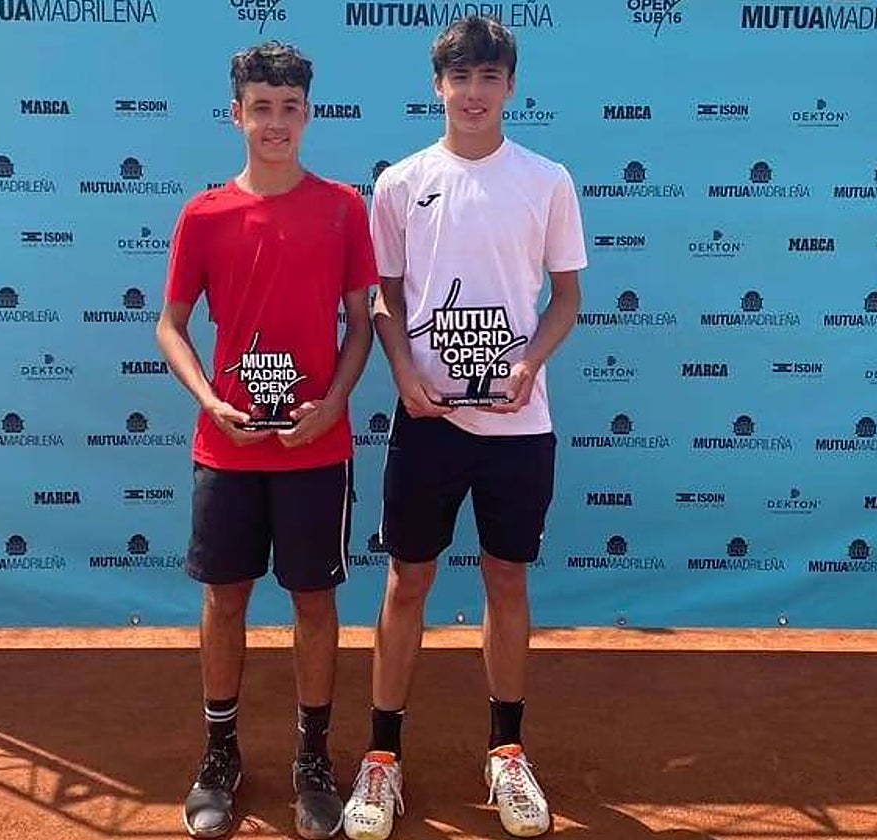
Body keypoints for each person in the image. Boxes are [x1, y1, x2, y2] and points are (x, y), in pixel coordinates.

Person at [341, 16, 586, 840]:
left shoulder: (547, 179)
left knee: (507, 583)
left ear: (511, 86)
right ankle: (382, 762)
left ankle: (506, 752)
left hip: (519, 428)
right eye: (460, 78)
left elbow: (567, 300)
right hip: (427, 425)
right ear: (437, 86)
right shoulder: (402, 183)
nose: (474, 93)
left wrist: (527, 366)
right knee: (407, 582)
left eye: (489, 77)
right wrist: (404, 375)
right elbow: (387, 296)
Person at [156, 41, 377, 840]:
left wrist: (334, 404)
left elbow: (361, 326)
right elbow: (171, 327)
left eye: (290, 108)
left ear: (307, 114)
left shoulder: (346, 207)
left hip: (318, 447)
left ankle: (313, 760)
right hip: (229, 449)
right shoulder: (204, 214)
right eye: (262, 107)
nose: (276, 123)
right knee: (224, 601)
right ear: (237, 114)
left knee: (315, 603)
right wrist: (211, 398)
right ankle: (220, 755)